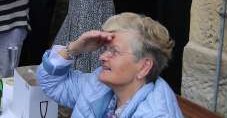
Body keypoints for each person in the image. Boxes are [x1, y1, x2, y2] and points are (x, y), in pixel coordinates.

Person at [37, 13, 183, 118]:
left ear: (144, 67)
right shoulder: (99, 84)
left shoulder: (155, 113)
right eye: (106, 49)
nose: (101, 57)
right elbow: (52, 84)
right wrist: (74, 49)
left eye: (114, 51)